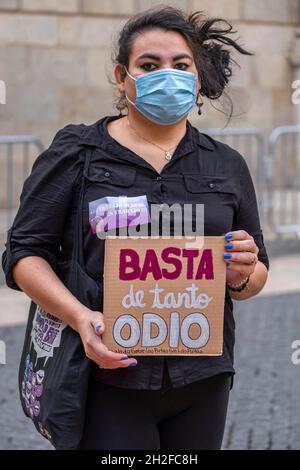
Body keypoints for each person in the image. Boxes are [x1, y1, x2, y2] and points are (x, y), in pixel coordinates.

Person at [1, 6, 269, 450]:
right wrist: (80, 318)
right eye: (149, 65)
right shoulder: (77, 153)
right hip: (106, 378)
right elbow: (24, 254)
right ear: (122, 77)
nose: (168, 74)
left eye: (181, 65)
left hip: (204, 378)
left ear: (198, 77)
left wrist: (244, 273)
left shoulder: (227, 165)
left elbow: (254, 275)